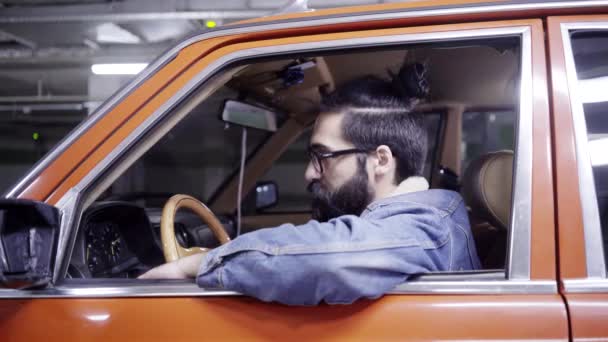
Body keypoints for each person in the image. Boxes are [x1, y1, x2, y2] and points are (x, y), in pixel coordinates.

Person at [140, 64, 481, 305]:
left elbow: (332, 258)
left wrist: (198, 263)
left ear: (380, 160)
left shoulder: (426, 228)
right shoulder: (428, 215)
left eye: (323, 156)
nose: (309, 174)